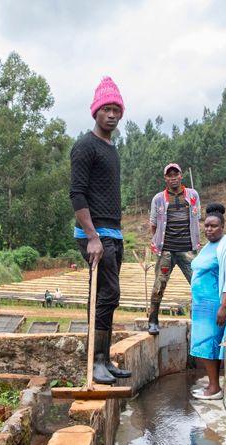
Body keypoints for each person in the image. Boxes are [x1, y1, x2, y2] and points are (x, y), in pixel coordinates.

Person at [69, 76, 132, 384]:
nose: (111, 114)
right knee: (107, 293)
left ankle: (104, 360)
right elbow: (77, 194)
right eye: (106, 109)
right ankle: (95, 361)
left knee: (108, 296)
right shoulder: (85, 147)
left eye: (116, 109)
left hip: (113, 232)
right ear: (95, 112)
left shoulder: (111, 148)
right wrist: (92, 236)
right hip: (96, 234)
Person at [190, 203, 226, 399]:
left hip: (214, 306)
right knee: (203, 346)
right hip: (200, 306)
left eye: (214, 226)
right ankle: (212, 386)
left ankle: (214, 388)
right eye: (207, 226)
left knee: (210, 345)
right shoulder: (208, 247)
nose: (209, 229)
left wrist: (224, 307)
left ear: (223, 227)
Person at [147, 163, 201, 335]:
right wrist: (158, 243)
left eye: (175, 175)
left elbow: (196, 219)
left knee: (198, 283)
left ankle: (197, 317)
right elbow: (154, 224)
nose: (173, 178)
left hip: (187, 249)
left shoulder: (192, 195)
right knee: (159, 284)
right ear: (165, 179)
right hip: (167, 250)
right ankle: (153, 320)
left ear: (181, 176)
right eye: (169, 176)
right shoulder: (158, 199)